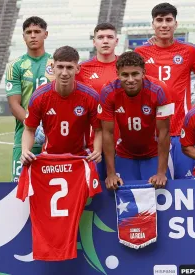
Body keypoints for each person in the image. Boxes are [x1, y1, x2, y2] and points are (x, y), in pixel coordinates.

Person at [135, 3, 195, 179]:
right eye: (159, 20)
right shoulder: (140, 52)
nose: (164, 24)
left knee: (185, 183)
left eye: (169, 20)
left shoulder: (189, 51)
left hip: (183, 129)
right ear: (153, 25)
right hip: (152, 132)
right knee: (157, 183)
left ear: (176, 24)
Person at [99, 51, 173, 190]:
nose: (131, 79)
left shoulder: (159, 90)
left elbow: (164, 132)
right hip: (124, 154)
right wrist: (111, 173)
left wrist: (161, 172)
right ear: (117, 74)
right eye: (125, 75)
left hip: (154, 154)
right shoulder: (108, 91)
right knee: (122, 195)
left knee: (160, 194)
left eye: (135, 74)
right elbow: (107, 133)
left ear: (143, 73)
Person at [20, 46, 102, 165]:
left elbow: (98, 129)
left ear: (78, 69)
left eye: (69, 67)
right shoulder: (39, 96)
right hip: (50, 157)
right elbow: (29, 129)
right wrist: (25, 151)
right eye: (60, 67)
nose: (64, 73)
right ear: (53, 68)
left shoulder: (90, 96)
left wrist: (97, 150)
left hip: (82, 158)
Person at [5, 16, 54, 182]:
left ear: (45, 34)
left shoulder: (56, 63)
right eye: (29, 32)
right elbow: (14, 104)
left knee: (51, 185)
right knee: (19, 188)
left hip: (54, 138)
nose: (33, 35)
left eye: (37, 32)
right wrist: (34, 127)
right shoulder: (15, 66)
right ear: (23, 36)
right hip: (24, 138)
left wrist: (48, 128)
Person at [77, 22, 119, 181]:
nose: (105, 41)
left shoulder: (127, 67)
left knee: (120, 188)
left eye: (110, 37)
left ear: (117, 40)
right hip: (92, 143)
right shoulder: (82, 70)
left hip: (123, 141)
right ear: (94, 42)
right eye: (100, 37)